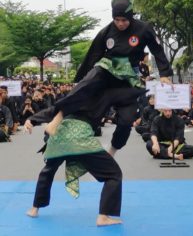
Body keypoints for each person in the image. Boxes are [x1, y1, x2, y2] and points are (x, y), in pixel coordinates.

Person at [50, 0, 173, 156]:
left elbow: (157, 50)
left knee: (126, 120)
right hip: (107, 71)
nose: (120, 24)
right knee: (88, 83)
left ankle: (113, 150)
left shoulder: (144, 29)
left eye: (124, 20)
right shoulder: (106, 31)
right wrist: (80, 80)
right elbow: (93, 55)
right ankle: (58, 117)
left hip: (129, 77)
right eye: (117, 20)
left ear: (131, 17)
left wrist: (165, 73)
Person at [24, 87, 145, 226]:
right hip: (80, 136)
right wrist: (114, 147)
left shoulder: (81, 90)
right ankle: (103, 216)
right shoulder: (108, 91)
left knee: (49, 169)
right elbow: (124, 121)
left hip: (59, 135)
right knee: (114, 174)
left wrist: (32, 119)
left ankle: (34, 209)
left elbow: (58, 108)